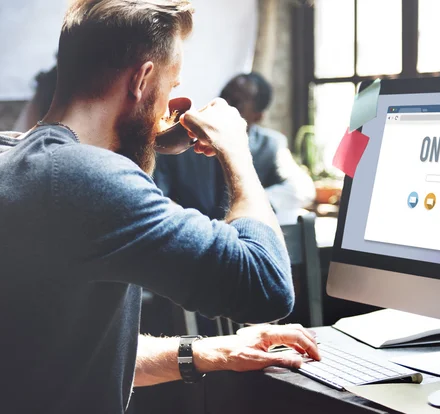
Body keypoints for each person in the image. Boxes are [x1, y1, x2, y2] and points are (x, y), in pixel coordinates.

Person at [0, 1, 319, 413]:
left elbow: (65, 354)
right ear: (143, 79)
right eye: (171, 86)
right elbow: (267, 285)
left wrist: (214, 351)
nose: (168, 105)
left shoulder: (16, 157)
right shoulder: (87, 177)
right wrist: (237, 151)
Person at [154, 72, 316, 223]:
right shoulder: (182, 141)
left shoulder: (270, 145)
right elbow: (157, 195)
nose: (224, 104)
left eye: (236, 101)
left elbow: (303, 189)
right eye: (224, 96)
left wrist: (249, 205)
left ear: (257, 116)